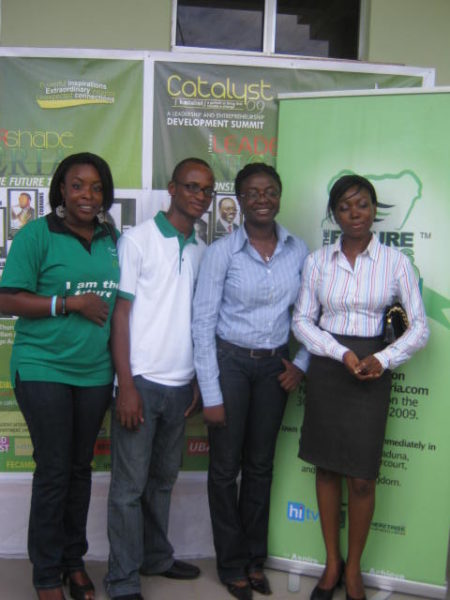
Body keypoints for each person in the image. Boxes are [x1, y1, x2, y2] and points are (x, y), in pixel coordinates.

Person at [291, 174, 429, 600]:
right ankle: (332, 565)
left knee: (363, 479)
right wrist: (339, 353)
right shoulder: (317, 262)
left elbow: (420, 328)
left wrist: (381, 359)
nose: (355, 213)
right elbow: (301, 321)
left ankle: (355, 570)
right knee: (327, 468)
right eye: (346, 206)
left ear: (374, 210)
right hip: (331, 368)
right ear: (334, 214)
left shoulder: (396, 263)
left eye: (363, 204)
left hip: (372, 371)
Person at [0, 152, 120, 600]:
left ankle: (75, 561)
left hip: (93, 371)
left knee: (80, 469)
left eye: (95, 187)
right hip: (43, 366)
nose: (87, 195)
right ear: (61, 191)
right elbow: (7, 299)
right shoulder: (36, 234)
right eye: (77, 186)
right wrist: (67, 304)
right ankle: (47, 574)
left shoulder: (110, 237)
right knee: (53, 471)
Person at [192, 162, 309, 600]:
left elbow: (312, 315)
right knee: (225, 470)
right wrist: (212, 390)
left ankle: (255, 559)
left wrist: (302, 362)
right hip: (230, 364)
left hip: (274, 369)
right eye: (253, 192)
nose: (262, 199)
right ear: (238, 200)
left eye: (270, 191)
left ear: (279, 196)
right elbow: (202, 323)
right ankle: (231, 563)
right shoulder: (222, 252)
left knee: (260, 467)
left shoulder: (298, 250)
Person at [104, 157, 215, 600]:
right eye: (191, 187)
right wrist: (125, 384)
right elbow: (121, 314)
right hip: (142, 383)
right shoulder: (138, 240)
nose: (200, 196)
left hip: (179, 385)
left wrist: (194, 380)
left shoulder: (203, 250)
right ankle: (122, 579)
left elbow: (194, 321)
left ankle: (156, 557)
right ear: (171, 188)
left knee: (163, 481)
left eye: (206, 190)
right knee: (128, 489)